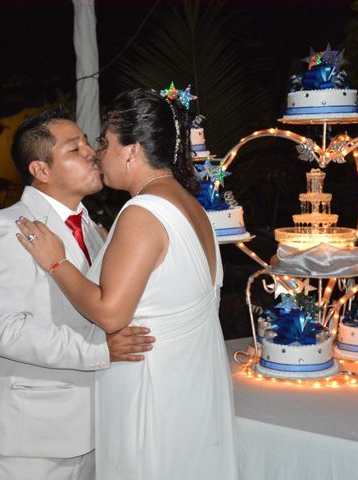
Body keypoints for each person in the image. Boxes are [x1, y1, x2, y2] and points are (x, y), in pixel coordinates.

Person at [16, 89, 238, 480]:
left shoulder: (142, 212)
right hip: (190, 387)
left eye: (104, 142)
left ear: (132, 151)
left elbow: (111, 313)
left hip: (151, 390)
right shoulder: (194, 208)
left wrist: (56, 261)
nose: (98, 153)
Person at [0, 106, 155, 480]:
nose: (91, 152)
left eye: (87, 143)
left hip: (97, 426)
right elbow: (7, 332)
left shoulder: (95, 229)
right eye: (75, 148)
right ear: (41, 170)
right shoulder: (6, 229)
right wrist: (99, 350)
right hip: (31, 437)